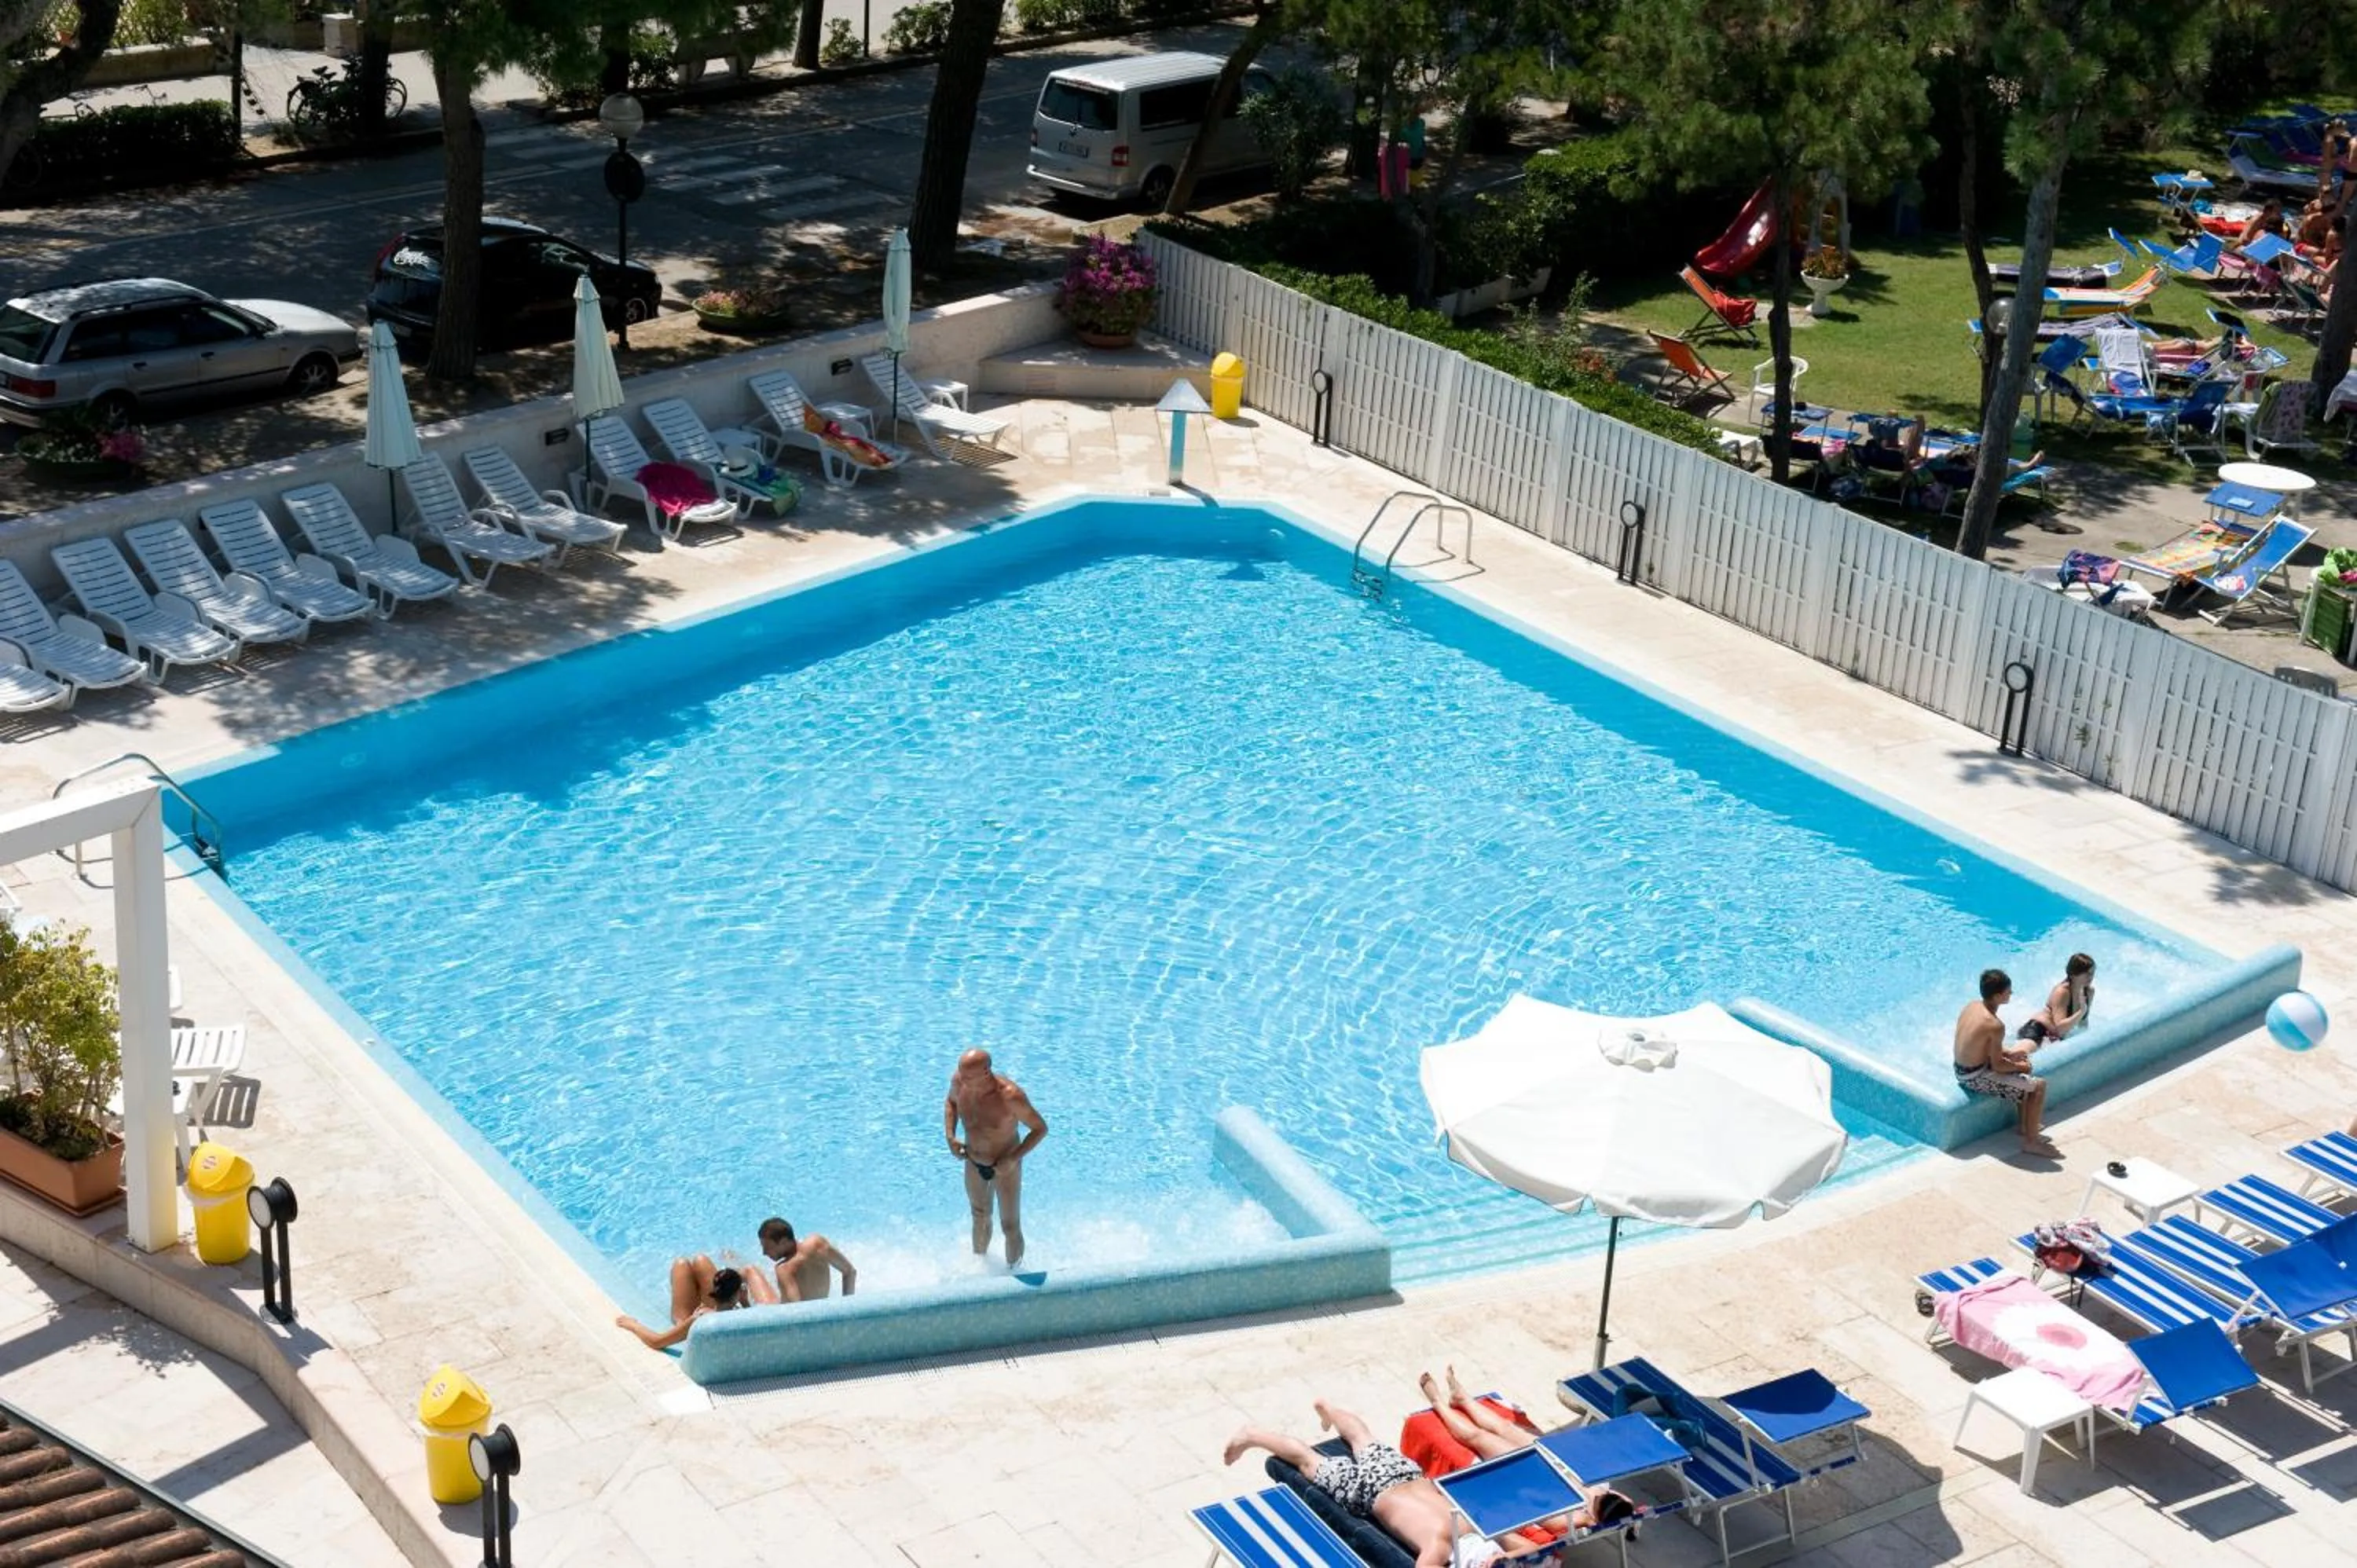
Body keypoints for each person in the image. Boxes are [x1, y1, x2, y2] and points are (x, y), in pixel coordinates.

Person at [1224, 1401, 1598, 1568]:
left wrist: (1508, 1558)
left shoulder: (1474, 1519)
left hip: (1406, 1475)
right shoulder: (1441, 1544)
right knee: (1308, 1460)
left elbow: (1520, 1549)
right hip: (1370, 1490)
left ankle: (1329, 1410)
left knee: (1362, 1437)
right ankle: (1252, 1434)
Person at [944, 1047, 1048, 1266]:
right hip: (974, 1161)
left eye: (967, 1077)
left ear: (985, 1073)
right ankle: (980, 1267)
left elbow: (1040, 1129)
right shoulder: (960, 1080)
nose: (961, 1081)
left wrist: (1013, 1159)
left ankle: (1015, 1272)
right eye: (961, 1074)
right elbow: (951, 1103)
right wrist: (951, 1136)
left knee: (1010, 1225)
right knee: (979, 1215)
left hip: (1005, 1166)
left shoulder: (1010, 1096)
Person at [1954, 969, 2058, 1158]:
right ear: (1997, 996)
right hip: (1974, 1076)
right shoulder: (1995, 1025)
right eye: (2008, 991)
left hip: (1962, 1068)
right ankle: (2031, 1142)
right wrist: (2020, 1067)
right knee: (2038, 1086)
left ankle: (2026, 1127)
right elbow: (1999, 1067)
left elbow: (1978, 1042)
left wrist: (2009, 1053)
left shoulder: (1972, 1006)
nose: (2011, 993)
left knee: (2022, 1080)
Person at [613, 1255, 775, 1351]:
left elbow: (657, 1341)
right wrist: (745, 1303)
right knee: (700, 1260)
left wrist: (633, 1325)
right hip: (723, 1307)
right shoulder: (746, 1315)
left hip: (686, 1320)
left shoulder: (700, 1318)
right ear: (739, 1293)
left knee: (681, 1264)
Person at [757, 1216, 858, 1303]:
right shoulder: (817, 1244)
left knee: (749, 1271)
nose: (764, 1252)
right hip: (819, 1311)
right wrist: (846, 1306)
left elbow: (797, 1311)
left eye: (767, 1247)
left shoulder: (784, 1270)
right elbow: (850, 1272)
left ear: (783, 1242)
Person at [2019, 954, 2095, 1046]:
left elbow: (2083, 1023)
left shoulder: (2089, 992)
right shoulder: (2062, 992)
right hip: (2036, 1031)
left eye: (2093, 973)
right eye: (2087, 973)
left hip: (2053, 1038)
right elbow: (2060, 1029)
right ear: (2073, 974)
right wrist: (2082, 1012)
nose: (2091, 977)